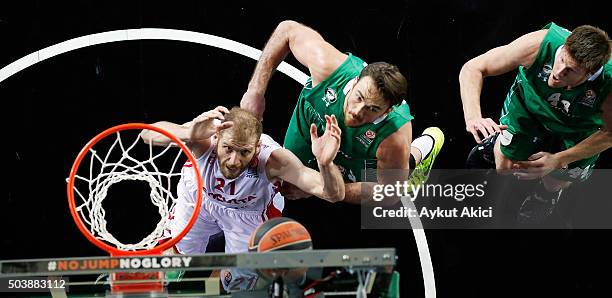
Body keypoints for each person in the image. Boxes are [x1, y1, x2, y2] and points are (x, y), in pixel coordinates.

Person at [240, 20, 445, 204]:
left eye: (372, 109)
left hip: (359, 153)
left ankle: (422, 150)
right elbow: (288, 30)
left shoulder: (394, 135)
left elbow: (388, 192)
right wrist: (255, 91)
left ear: (387, 111)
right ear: (355, 81)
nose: (357, 111)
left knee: (397, 178)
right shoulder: (329, 67)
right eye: (359, 97)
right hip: (313, 125)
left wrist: (322, 188)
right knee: (283, 180)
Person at [140, 106, 345, 290]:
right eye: (228, 148)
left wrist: (326, 164)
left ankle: (211, 289)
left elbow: (333, 194)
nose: (233, 161)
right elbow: (146, 133)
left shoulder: (273, 160)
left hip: (248, 212)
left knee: (239, 283)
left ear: (256, 148)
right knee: (172, 260)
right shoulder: (204, 139)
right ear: (218, 137)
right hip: (201, 199)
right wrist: (188, 132)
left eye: (244, 152)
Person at [459, 22, 612, 222]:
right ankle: (496, 143)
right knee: (503, 165)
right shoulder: (539, 44)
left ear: (589, 73)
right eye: (562, 59)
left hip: (578, 126)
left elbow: (609, 134)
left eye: (571, 70)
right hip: (529, 105)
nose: (558, 71)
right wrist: (473, 117)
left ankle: (547, 194)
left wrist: (559, 159)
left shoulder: (608, 84)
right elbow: (473, 68)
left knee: (557, 179)